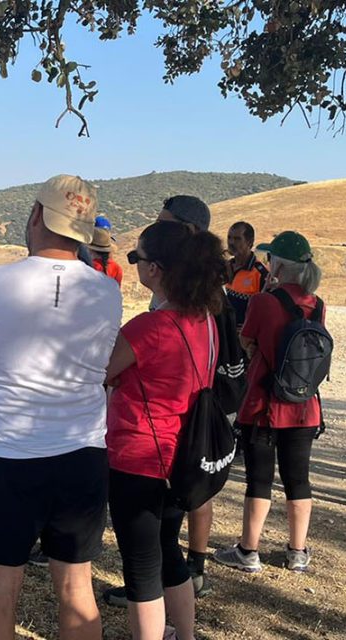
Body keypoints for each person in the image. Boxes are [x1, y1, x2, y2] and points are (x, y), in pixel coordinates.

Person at [0, 175, 121, 640]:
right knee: (76, 587)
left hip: (8, 456)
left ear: (35, 215)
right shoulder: (107, 291)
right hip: (83, 455)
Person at [105, 220, 226, 640]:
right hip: (183, 459)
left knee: (140, 567)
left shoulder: (148, 327)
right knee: (168, 551)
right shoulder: (206, 319)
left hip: (138, 457)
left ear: (155, 269)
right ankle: (185, 635)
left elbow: (103, 372)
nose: (134, 264)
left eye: (137, 257)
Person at [212, 231, 324, 574]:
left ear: (278, 264)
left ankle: (249, 551)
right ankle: (297, 552)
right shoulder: (317, 304)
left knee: (259, 479)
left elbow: (247, 341)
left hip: (263, 403)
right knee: (298, 479)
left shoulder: (264, 301)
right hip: (304, 405)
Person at [225, 221, 270, 327]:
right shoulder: (227, 267)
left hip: (245, 337)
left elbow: (265, 312)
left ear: (250, 242)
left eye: (237, 239)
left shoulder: (260, 274)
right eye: (229, 237)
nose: (231, 242)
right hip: (227, 331)